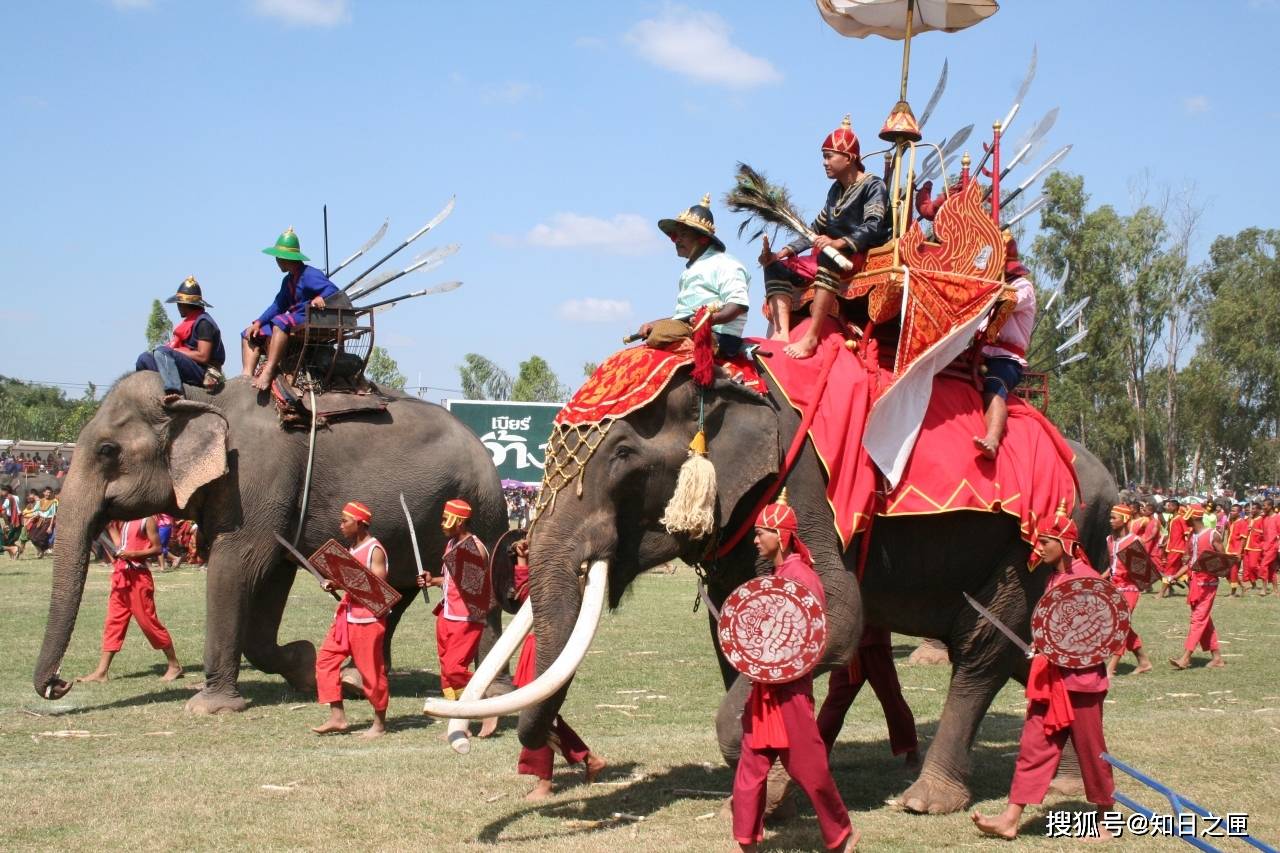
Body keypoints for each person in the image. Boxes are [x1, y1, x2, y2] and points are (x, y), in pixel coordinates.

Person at [972, 510, 1115, 840]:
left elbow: (1098, 635)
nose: (1040, 546)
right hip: (1049, 681)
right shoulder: (1052, 577)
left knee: (1091, 752)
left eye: (1046, 541)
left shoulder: (1087, 581)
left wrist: (1057, 648)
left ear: (1064, 543)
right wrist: (1042, 646)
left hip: (1081, 684)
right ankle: (1010, 819)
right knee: (1033, 747)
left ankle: (1106, 820)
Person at [732, 497, 858, 853]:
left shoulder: (802, 578)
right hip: (764, 691)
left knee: (810, 771)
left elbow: (809, 638)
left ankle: (842, 833)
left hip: (790, 692)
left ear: (781, 536)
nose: (755, 540)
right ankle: (744, 844)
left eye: (761, 534)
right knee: (750, 769)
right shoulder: (776, 576)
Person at [759, 114, 891, 359]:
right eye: (824, 157)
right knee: (775, 267)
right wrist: (782, 252)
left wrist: (837, 243)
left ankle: (811, 338)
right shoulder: (835, 190)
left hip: (857, 255)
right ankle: (781, 334)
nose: (824, 162)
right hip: (827, 253)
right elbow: (816, 229)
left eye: (829, 156)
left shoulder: (873, 185)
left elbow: (874, 226)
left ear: (849, 158)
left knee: (828, 259)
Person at [510, 538, 606, 799]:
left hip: (550, 648)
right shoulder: (547, 573)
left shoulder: (569, 577)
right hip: (534, 646)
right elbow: (525, 597)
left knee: (539, 712)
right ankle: (588, 758)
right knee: (543, 715)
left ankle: (544, 782)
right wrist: (523, 561)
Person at [635, 195, 750, 358]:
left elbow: (738, 304)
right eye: (675, 236)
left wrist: (708, 320)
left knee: (660, 334)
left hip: (717, 337)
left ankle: (717, 373)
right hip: (689, 331)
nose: (676, 240)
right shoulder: (689, 271)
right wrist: (655, 323)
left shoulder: (726, 264)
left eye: (683, 235)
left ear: (702, 238)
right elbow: (685, 317)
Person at [313, 501, 391, 738]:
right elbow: (348, 582)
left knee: (371, 673)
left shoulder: (375, 550)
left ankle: (379, 724)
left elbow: (377, 589)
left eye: (345, 521)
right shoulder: (350, 550)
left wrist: (342, 582)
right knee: (325, 661)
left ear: (360, 523)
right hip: (345, 617)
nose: (341, 525)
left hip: (367, 621)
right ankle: (338, 718)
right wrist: (333, 583)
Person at [77, 516, 182, 683]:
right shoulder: (124, 520)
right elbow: (121, 547)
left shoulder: (147, 520)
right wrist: (110, 529)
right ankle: (102, 671)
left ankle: (174, 665)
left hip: (138, 578)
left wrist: (133, 554)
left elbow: (157, 548)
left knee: (148, 623)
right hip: (121, 576)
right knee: (114, 622)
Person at [241, 228, 340, 391]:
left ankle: (269, 370)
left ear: (285, 258)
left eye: (278, 258)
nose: (276, 261)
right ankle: (246, 377)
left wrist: (320, 298)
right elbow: (278, 305)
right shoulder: (287, 280)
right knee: (248, 333)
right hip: (293, 319)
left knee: (280, 322)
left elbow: (334, 290)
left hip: (307, 318)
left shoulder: (310, 274)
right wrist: (258, 322)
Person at [418, 499, 492, 703]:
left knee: (454, 669)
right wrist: (433, 580)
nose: (441, 523)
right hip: (447, 613)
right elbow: (453, 581)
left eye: (445, 519)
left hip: (465, 618)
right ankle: (458, 720)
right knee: (446, 672)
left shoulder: (475, 548)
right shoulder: (451, 544)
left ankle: (485, 702)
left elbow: (475, 589)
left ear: (458, 521)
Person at [815, 625, 919, 769]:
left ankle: (911, 750)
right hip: (852, 647)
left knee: (891, 699)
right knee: (836, 703)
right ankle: (817, 755)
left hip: (870, 644)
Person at [973, 235, 1038, 459]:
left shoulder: (1022, 287)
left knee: (993, 386)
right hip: (979, 356)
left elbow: (1007, 301)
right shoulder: (990, 287)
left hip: (1006, 359)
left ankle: (992, 439)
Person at [135, 277, 225, 404]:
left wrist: (175, 351)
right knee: (144, 358)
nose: (178, 307)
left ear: (184, 304)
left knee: (163, 352)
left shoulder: (204, 323)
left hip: (200, 371)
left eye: (179, 303)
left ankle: (175, 391)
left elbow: (203, 356)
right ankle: (147, 393)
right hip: (183, 365)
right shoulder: (188, 323)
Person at [1169, 505, 1227, 670]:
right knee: (1204, 620)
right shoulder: (1192, 536)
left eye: (1186, 517)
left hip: (1208, 584)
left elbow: (1222, 559)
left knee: (1198, 619)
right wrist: (1175, 575)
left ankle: (1185, 658)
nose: (1184, 520)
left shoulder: (1212, 534)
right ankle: (1217, 658)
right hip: (1194, 583)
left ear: (1194, 518)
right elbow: (1189, 562)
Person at [1104, 504, 1153, 677]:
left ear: (1125, 520)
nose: (1110, 521)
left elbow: (1143, 571)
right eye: (1110, 517)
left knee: (1121, 625)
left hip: (1130, 588)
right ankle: (1143, 661)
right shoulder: (1109, 540)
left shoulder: (1135, 541)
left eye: (1114, 518)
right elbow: (1112, 566)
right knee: (1122, 625)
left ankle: (1112, 666)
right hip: (1114, 588)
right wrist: (1098, 579)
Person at [1159, 500, 1188, 598]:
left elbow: (1186, 534)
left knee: (1168, 570)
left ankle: (1161, 593)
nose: (1167, 507)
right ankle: (1193, 590)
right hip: (1171, 548)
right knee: (1179, 571)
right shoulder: (1172, 518)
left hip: (1177, 549)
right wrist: (1165, 544)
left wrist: (1187, 551)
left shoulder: (1180, 519)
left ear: (1175, 507)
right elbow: (1172, 535)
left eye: (1170, 506)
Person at [28, 486, 58, 558]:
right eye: (47, 492)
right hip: (40, 521)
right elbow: (36, 511)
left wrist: (50, 527)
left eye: (49, 493)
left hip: (48, 522)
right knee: (31, 536)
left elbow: (53, 515)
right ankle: (40, 550)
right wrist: (31, 518)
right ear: (43, 493)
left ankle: (43, 550)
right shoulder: (40, 501)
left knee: (40, 537)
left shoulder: (53, 502)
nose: (48, 494)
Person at [1243, 501, 1265, 593]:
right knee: (1247, 568)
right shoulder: (1248, 519)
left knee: (1253, 566)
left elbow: (1265, 533)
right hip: (1247, 546)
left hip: (1255, 547)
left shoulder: (1262, 519)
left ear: (1259, 510)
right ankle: (1254, 585)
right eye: (1251, 508)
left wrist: (1254, 529)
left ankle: (1265, 577)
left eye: (1254, 509)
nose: (1252, 510)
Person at [1226, 503, 1248, 597]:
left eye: (1234, 511)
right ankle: (1243, 586)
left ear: (1239, 513)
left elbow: (1243, 538)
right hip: (1229, 550)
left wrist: (1239, 552)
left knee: (1233, 571)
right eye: (1231, 510)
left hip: (1236, 552)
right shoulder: (1231, 522)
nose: (1231, 512)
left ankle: (1233, 593)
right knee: (1227, 572)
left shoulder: (1242, 522)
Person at [1, 484, 21, 558]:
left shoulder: (7, 499)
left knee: (7, 539)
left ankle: (16, 549)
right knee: (11, 538)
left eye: (2, 491)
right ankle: (14, 552)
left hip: (12, 520)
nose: (1, 493)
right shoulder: (16, 497)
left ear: (6, 491)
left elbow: (2, 508)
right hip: (19, 519)